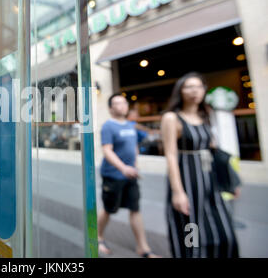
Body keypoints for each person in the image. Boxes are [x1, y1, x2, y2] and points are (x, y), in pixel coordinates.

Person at [160, 72, 239, 258]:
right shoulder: (172, 118)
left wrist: (231, 180)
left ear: (204, 90)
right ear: (180, 90)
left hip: (211, 182)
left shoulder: (205, 116)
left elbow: (215, 151)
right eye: (189, 86)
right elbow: (170, 156)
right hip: (188, 181)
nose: (194, 91)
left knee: (224, 232)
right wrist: (178, 192)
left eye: (199, 86)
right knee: (191, 230)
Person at [97, 93, 160, 258]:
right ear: (111, 108)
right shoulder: (108, 126)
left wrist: (135, 167)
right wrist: (123, 168)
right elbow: (107, 150)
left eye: (124, 103)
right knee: (109, 210)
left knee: (135, 209)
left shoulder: (131, 126)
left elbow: (134, 148)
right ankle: (97, 237)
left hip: (130, 176)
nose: (122, 106)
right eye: (117, 103)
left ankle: (143, 248)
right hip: (113, 176)